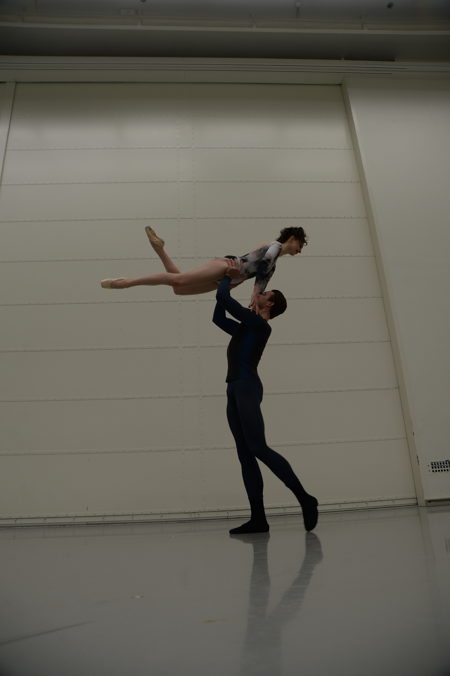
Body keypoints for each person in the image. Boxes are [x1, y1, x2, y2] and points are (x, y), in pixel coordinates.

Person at [213, 272, 318, 535]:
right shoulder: (245, 326)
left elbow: (223, 297)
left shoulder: (259, 325)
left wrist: (225, 278)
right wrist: (223, 284)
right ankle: (258, 519)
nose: (259, 293)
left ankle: (305, 498)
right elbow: (218, 317)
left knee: (258, 447)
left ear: (269, 304)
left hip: (247, 387)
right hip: (233, 389)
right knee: (245, 454)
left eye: (265, 293)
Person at [101, 225, 307, 312]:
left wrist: (255, 295)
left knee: (179, 288)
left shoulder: (274, 264)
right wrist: (254, 290)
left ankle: (160, 249)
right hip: (227, 267)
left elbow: (263, 278)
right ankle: (128, 282)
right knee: (178, 280)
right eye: (300, 245)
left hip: (230, 279)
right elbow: (263, 263)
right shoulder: (275, 246)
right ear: (292, 238)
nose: (300, 250)